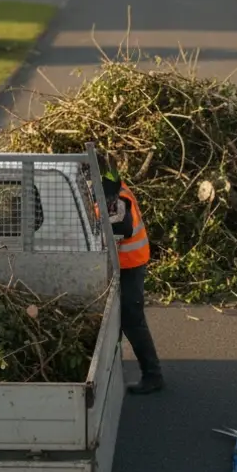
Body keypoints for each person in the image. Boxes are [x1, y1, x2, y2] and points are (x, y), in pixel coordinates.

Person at [99, 154, 165, 394]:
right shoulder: (108, 190)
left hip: (130, 264)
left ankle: (153, 375)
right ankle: (112, 373)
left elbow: (123, 227)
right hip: (122, 264)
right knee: (116, 320)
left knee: (131, 319)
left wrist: (102, 225)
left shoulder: (116, 196)